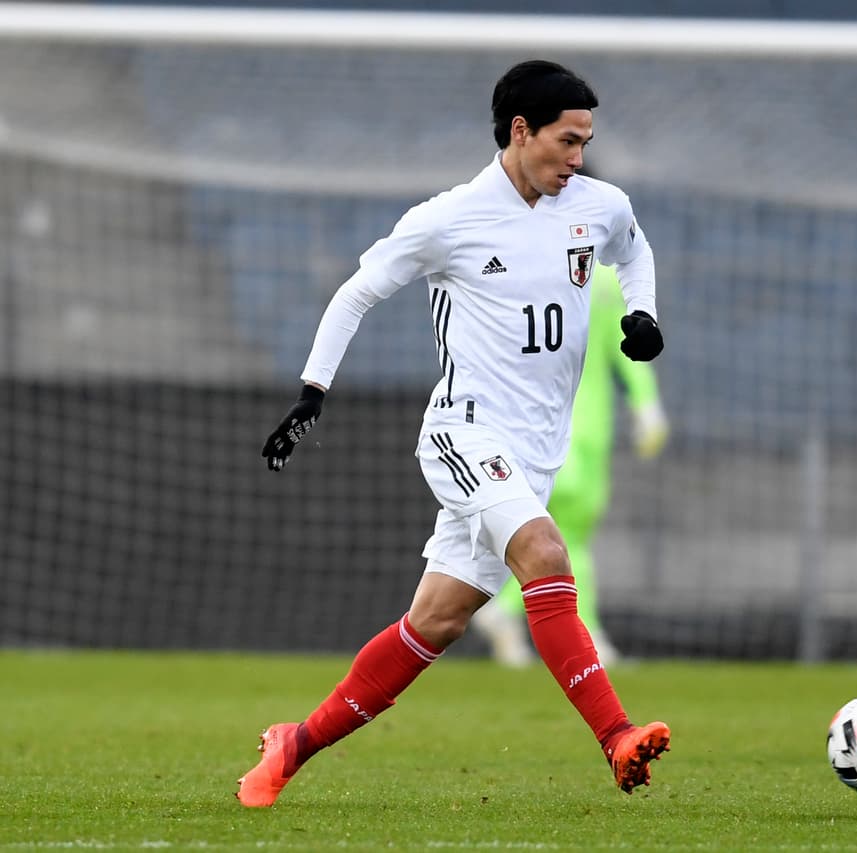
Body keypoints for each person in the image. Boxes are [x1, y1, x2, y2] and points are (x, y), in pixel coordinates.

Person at [238, 59, 671, 807]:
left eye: (586, 142)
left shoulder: (598, 206)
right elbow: (358, 291)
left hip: (534, 453)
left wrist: (643, 314)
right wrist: (313, 390)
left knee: (434, 621)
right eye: (567, 141)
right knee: (545, 550)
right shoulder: (450, 218)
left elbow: (634, 250)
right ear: (520, 131)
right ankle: (616, 735)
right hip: (463, 434)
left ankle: (295, 742)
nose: (578, 157)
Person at [473, 261, 669, 667]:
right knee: (570, 536)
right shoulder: (606, 279)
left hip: (529, 426)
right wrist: (647, 406)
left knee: (546, 534)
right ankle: (584, 635)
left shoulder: (529, 266)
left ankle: (509, 610)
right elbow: (630, 348)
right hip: (584, 428)